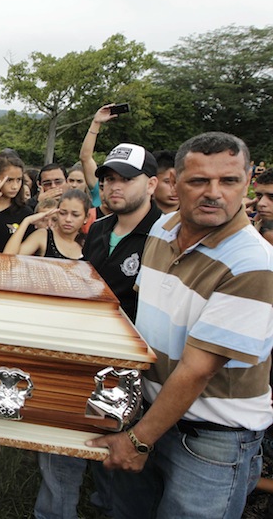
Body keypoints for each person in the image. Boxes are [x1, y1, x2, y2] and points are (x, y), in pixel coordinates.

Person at [88, 132, 273, 519]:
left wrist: (138, 440)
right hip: (150, 413)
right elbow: (145, 324)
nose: (214, 193)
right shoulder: (161, 231)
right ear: (175, 183)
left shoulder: (254, 263)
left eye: (229, 181)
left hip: (209, 441)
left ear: (248, 181)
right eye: (199, 181)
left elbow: (197, 369)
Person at [34, 143, 161, 519]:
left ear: (152, 184)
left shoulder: (165, 235)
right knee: (64, 443)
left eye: (126, 179)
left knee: (124, 466)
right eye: (107, 179)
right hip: (83, 353)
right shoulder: (101, 227)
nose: (113, 186)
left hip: (133, 368)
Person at [4, 189, 89, 259]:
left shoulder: (88, 242)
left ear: (86, 218)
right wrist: (27, 221)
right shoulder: (43, 235)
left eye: (75, 215)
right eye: (63, 213)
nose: (68, 219)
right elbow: (7, 258)